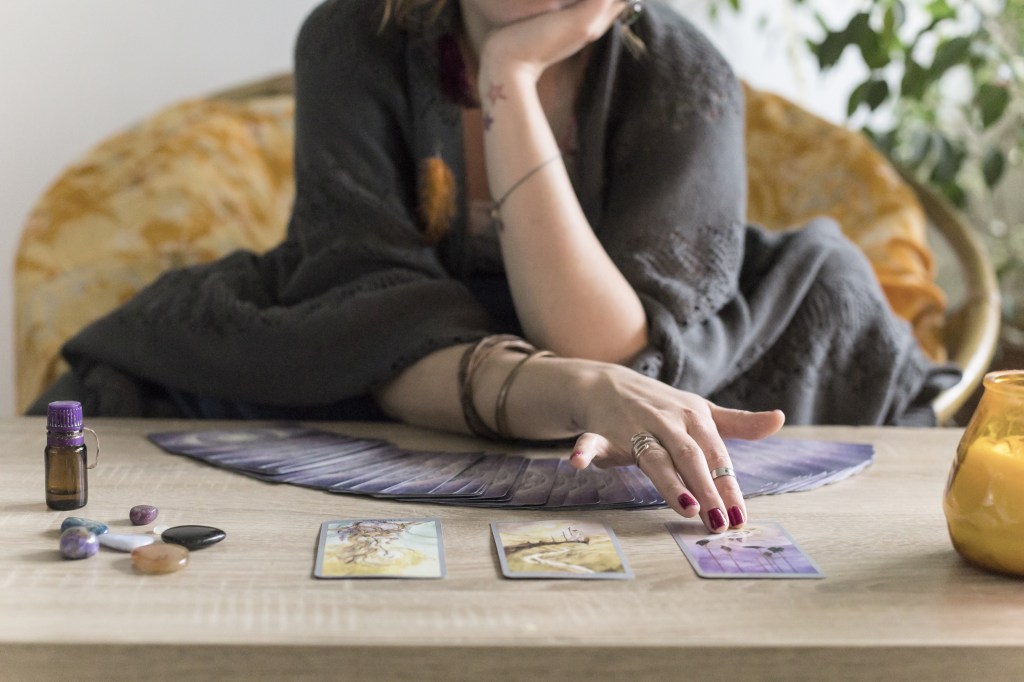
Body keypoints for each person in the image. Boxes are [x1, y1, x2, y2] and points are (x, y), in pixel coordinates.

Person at [30, 0, 958, 533]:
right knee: (185, 354)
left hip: (671, 347)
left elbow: (609, 345)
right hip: (382, 349)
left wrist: (507, 83)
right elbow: (372, 319)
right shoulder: (352, 38)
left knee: (821, 315)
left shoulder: (683, 74)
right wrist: (569, 389)